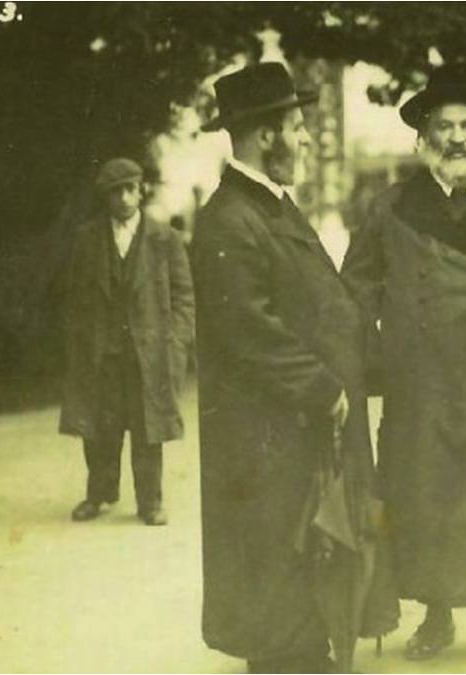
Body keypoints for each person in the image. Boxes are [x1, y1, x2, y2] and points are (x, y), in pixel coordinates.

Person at [342, 64, 466, 665]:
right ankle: (437, 616)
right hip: (422, 389)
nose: (456, 138)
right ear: (423, 139)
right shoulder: (391, 208)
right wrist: (382, 363)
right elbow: (355, 291)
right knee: (425, 500)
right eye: (444, 126)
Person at [191, 63, 381, 673]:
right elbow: (245, 327)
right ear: (264, 135)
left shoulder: (269, 207)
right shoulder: (229, 217)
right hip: (267, 430)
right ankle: (284, 660)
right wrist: (322, 385)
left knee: (301, 541)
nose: (303, 139)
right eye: (295, 128)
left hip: (293, 424)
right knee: (274, 542)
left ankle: (301, 650)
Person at [59, 157, 194, 527]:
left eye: (129, 189)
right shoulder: (88, 239)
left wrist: (177, 343)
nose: (123, 198)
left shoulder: (163, 238)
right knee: (101, 426)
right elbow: (74, 299)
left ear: (141, 190)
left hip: (148, 352)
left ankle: (150, 502)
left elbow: (184, 296)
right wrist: (81, 344)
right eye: (115, 192)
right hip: (103, 351)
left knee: (148, 427)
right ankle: (99, 494)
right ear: (105, 197)